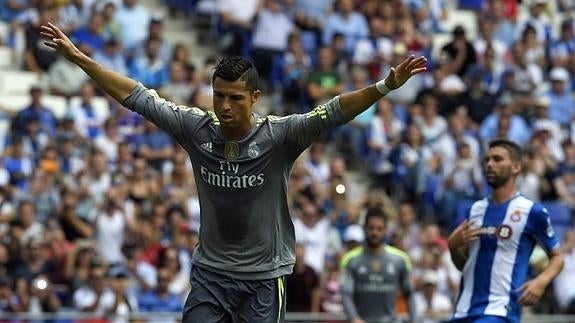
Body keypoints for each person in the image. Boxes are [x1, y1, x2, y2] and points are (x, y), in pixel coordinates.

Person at [39, 22, 427, 322]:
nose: (224, 106)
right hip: (211, 274)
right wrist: (79, 58)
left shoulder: (280, 136)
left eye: (235, 98)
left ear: (254, 98)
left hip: (263, 277)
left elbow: (334, 110)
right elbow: (137, 96)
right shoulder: (196, 128)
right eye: (218, 95)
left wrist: (384, 86)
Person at [447, 139, 564, 323]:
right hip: (463, 311)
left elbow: (557, 257)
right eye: (487, 160)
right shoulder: (476, 209)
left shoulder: (531, 211)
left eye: (497, 159)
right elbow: (469, 267)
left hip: (500, 312)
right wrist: (453, 247)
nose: (489, 164)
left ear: (516, 167)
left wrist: (540, 281)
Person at [339, 208, 415, 323]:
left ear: (386, 230)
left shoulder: (400, 259)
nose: (375, 233)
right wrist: (354, 318)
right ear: (364, 228)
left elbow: (409, 293)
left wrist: (414, 320)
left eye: (379, 229)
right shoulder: (350, 259)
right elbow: (345, 294)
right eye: (371, 228)